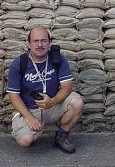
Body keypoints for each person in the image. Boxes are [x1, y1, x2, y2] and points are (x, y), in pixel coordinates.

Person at [6, 26, 83, 154]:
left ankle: (61, 136)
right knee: (25, 141)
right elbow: (13, 95)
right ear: (28, 44)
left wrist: (52, 102)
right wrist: (28, 117)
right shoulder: (19, 63)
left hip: (53, 105)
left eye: (43, 41)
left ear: (49, 43)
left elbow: (67, 87)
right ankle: (29, 127)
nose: (40, 45)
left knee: (77, 102)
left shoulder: (58, 59)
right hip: (30, 109)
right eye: (35, 41)